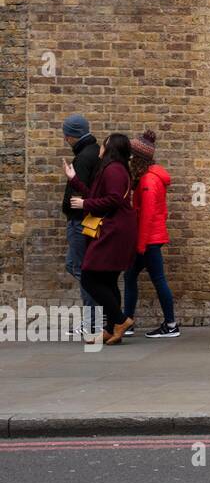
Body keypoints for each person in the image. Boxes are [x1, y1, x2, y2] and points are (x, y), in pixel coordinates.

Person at [64, 133, 136, 345]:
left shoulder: (114, 170)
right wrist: (74, 179)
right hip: (115, 229)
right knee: (108, 280)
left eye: (104, 143)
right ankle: (112, 329)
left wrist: (85, 205)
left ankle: (120, 320)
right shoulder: (114, 168)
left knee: (89, 276)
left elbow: (112, 200)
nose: (100, 147)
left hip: (113, 230)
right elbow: (98, 195)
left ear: (110, 147)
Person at [123, 130, 179, 338]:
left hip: (149, 240)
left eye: (131, 156)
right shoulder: (149, 177)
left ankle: (171, 325)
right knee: (130, 275)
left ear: (137, 159)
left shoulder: (148, 182)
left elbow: (146, 216)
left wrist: (140, 245)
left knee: (158, 279)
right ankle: (126, 321)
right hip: (149, 239)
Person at [60, 113, 101, 337]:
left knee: (82, 270)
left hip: (79, 221)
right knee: (77, 267)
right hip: (85, 220)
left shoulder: (84, 157)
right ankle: (96, 315)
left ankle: (92, 321)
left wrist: (71, 207)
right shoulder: (92, 152)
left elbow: (82, 192)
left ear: (70, 136)